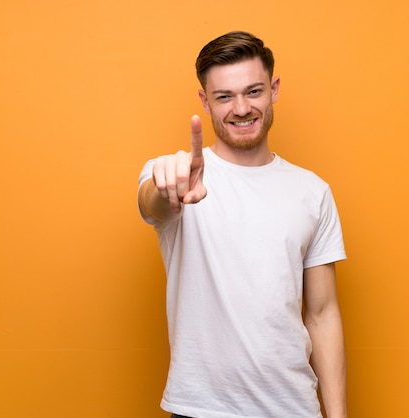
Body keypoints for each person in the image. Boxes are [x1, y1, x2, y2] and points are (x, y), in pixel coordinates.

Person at [137, 31, 348, 418]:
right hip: (200, 409)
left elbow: (322, 313)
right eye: (224, 96)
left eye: (253, 91)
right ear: (205, 101)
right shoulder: (177, 175)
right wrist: (165, 188)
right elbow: (154, 204)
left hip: (294, 407)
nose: (241, 108)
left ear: (274, 89)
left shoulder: (312, 191)